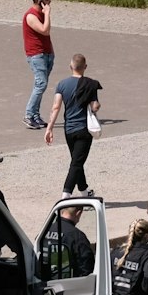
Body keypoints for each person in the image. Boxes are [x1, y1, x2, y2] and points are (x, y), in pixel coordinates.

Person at [44, 53, 102, 196]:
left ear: (71, 67)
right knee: (76, 163)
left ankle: (83, 190)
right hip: (84, 129)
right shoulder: (90, 84)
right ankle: (66, 194)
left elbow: (56, 107)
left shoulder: (62, 84)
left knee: (77, 160)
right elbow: (94, 106)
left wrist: (49, 128)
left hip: (68, 130)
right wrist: (96, 105)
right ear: (85, 67)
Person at [22, 0, 53, 131]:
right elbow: (45, 30)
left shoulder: (41, 13)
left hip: (47, 53)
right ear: (39, 2)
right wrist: (47, 14)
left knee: (41, 85)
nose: (50, 2)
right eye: (47, 0)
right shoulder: (31, 16)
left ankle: (35, 115)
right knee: (41, 84)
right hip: (36, 55)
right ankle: (28, 115)